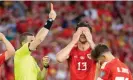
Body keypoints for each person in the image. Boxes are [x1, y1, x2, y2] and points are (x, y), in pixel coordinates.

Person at [14, 3, 56, 80]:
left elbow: (41, 77)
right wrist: (50, 20)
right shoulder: (19, 53)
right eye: (31, 41)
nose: (35, 43)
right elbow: (39, 39)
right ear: (23, 43)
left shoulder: (32, 60)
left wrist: (45, 66)